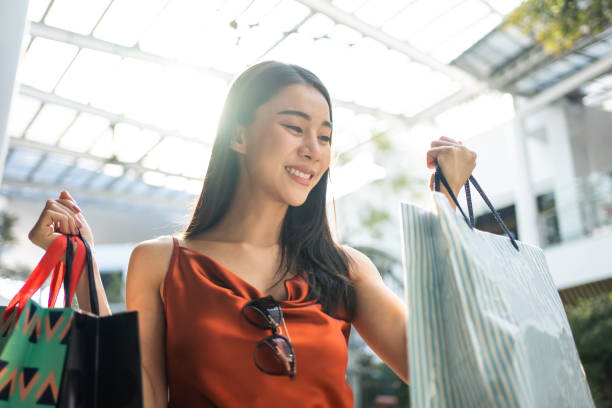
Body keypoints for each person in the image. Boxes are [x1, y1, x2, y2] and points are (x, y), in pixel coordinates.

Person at [27, 61, 476, 407]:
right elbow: (139, 395)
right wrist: (78, 262)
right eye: (295, 127)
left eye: (324, 136)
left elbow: (434, 367)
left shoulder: (346, 268)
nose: (312, 150)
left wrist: (450, 208)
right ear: (238, 135)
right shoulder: (161, 262)